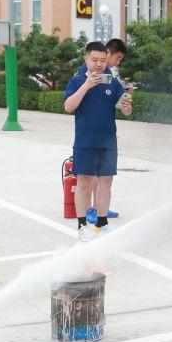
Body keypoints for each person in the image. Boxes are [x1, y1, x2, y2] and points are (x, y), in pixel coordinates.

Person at [64, 41, 132, 241]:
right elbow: (69, 106)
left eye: (103, 60)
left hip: (108, 141)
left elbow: (124, 107)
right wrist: (86, 85)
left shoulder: (112, 82)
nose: (99, 64)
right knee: (84, 182)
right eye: (94, 60)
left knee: (106, 182)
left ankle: (102, 224)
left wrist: (127, 107)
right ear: (86, 59)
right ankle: (82, 224)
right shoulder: (77, 81)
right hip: (85, 141)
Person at [77, 38, 128, 223]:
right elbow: (72, 104)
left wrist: (124, 99)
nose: (117, 61)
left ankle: (100, 211)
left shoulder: (110, 77)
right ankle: (89, 210)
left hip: (106, 139)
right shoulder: (85, 73)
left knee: (103, 178)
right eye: (118, 57)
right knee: (87, 177)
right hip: (88, 137)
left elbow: (119, 104)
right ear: (108, 52)